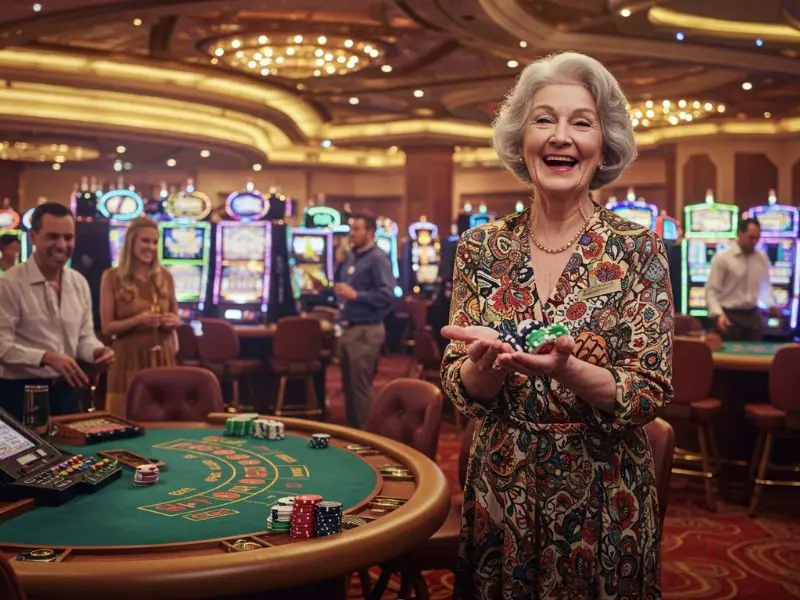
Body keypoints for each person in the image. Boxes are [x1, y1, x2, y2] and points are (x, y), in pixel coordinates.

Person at [440, 51, 673, 599]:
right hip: (503, 485)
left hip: (603, 492)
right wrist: (485, 369)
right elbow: (460, 387)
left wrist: (568, 372)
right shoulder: (481, 248)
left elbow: (648, 392)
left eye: (581, 122)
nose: (560, 137)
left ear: (604, 145)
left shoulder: (638, 249)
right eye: (544, 119)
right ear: (521, 138)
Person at [0, 203, 115, 421]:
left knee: (74, 456)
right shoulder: (8, 284)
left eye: (68, 237)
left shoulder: (78, 282)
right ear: (33, 237)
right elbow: (1, 347)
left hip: (67, 393)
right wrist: (45, 357)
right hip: (18, 393)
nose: (62, 245)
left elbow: (84, 337)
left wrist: (97, 351)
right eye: (53, 236)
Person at [100, 217, 179, 417]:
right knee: (126, 418)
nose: (151, 247)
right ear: (131, 242)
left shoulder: (165, 276)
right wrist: (138, 320)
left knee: (163, 421)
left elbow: (176, 317)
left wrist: (172, 321)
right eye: (145, 241)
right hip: (128, 356)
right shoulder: (112, 277)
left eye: (155, 242)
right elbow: (107, 327)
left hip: (162, 355)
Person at [333, 213, 396, 429]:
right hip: (348, 328)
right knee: (348, 389)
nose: (352, 233)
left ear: (370, 232)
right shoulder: (352, 256)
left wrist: (356, 296)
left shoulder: (378, 258)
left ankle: (367, 439)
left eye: (357, 229)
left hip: (366, 330)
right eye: (351, 229)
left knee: (360, 390)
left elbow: (388, 295)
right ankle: (353, 435)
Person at [705, 217, 781, 341]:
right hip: (729, 316)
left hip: (753, 315)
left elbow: (765, 288)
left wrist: (772, 305)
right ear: (740, 233)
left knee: (755, 358)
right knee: (729, 359)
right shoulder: (723, 258)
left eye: (757, 238)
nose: (755, 242)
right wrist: (718, 315)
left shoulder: (762, 258)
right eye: (751, 237)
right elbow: (711, 291)